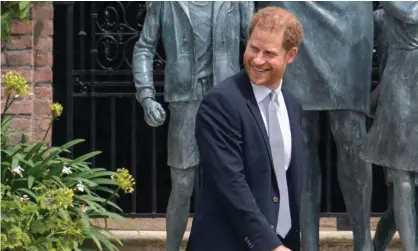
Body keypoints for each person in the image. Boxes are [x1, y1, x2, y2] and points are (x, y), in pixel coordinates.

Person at [132, 2, 254, 251]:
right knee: (183, 184)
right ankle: (172, 247)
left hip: (225, 100)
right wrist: (146, 96)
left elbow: (255, 43)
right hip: (185, 100)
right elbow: (144, 48)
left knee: (230, 180)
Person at [256, 2, 375, 250]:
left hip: (349, 15)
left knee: (351, 135)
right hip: (293, 9)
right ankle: (306, 242)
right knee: (300, 135)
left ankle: (363, 241)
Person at [186, 6, 304, 251]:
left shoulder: (292, 105)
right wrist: (271, 245)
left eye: (269, 53)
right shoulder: (221, 103)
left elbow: (283, 185)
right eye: (253, 48)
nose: (258, 60)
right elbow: (230, 184)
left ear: (290, 55)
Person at [360, 2, 418, 251]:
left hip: (401, 87)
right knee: (401, 180)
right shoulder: (385, 16)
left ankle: (376, 245)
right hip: (401, 92)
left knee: (402, 190)